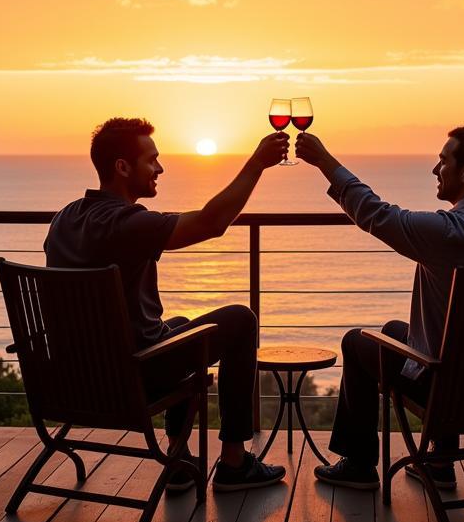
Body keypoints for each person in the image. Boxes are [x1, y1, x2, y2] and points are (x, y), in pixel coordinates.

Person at [45, 117, 289, 492]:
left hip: (75, 379)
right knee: (240, 319)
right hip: (128, 378)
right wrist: (256, 164)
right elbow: (212, 222)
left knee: (174, 324)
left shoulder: (65, 218)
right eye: (152, 160)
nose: (160, 168)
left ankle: (177, 458)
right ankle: (235, 462)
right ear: (122, 167)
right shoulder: (127, 224)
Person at [295, 126, 464, 490]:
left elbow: (375, 214)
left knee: (356, 342)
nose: (435, 170)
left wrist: (324, 162)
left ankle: (359, 463)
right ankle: (439, 462)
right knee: (395, 330)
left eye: (443, 162)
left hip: (450, 392)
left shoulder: (449, 233)